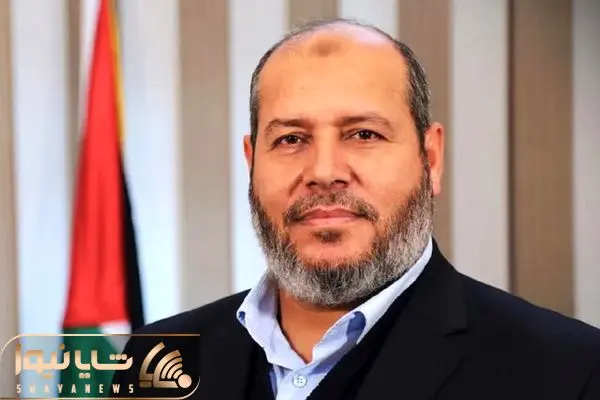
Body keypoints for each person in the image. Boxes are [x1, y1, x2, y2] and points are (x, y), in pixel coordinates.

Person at [112, 19, 600, 399]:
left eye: (364, 134)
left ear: (430, 159)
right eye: (291, 139)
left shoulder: (568, 372)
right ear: (252, 161)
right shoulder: (155, 358)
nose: (324, 172)